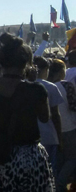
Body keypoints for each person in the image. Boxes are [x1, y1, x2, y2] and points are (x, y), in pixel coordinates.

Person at [0, 33, 55, 191]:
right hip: (29, 157)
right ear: (26, 63)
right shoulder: (36, 90)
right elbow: (45, 117)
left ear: (1, 63)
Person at [33, 56, 65, 177]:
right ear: (46, 69)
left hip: (30, 137)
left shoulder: (24, 86)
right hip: (49, 136)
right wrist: (60, 138)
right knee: (49, 172)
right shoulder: (51, 87)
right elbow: (56, 115)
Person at [47, 59, 76, 192]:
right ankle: (59, 184)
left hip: (52, 131)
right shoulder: (66, 86)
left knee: (58, 161)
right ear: (60, 72)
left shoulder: (47, 86)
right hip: (69, 128)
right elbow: (74, 106)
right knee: (72, 159)